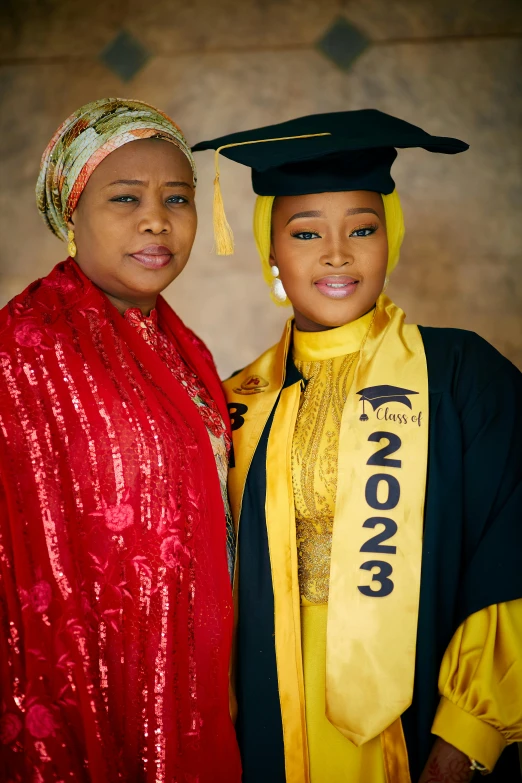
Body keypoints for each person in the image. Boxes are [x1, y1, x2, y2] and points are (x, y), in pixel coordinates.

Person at [192, 110, 522, 783]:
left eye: (362, 229)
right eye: (306, 232)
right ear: (272, 251)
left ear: (390, 238)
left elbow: (512, 548)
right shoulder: (235, 405)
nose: (336, 254)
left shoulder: (461, 374)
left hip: (420, 711)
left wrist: (467, 734)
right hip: (271, 717)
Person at [0, 98, 241, 782]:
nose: (156, 219)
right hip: (84, 686)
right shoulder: (24, 350)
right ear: (69, 215)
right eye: (125, 197)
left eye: (177, 197)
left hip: (192, 670)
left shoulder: (179, 346)